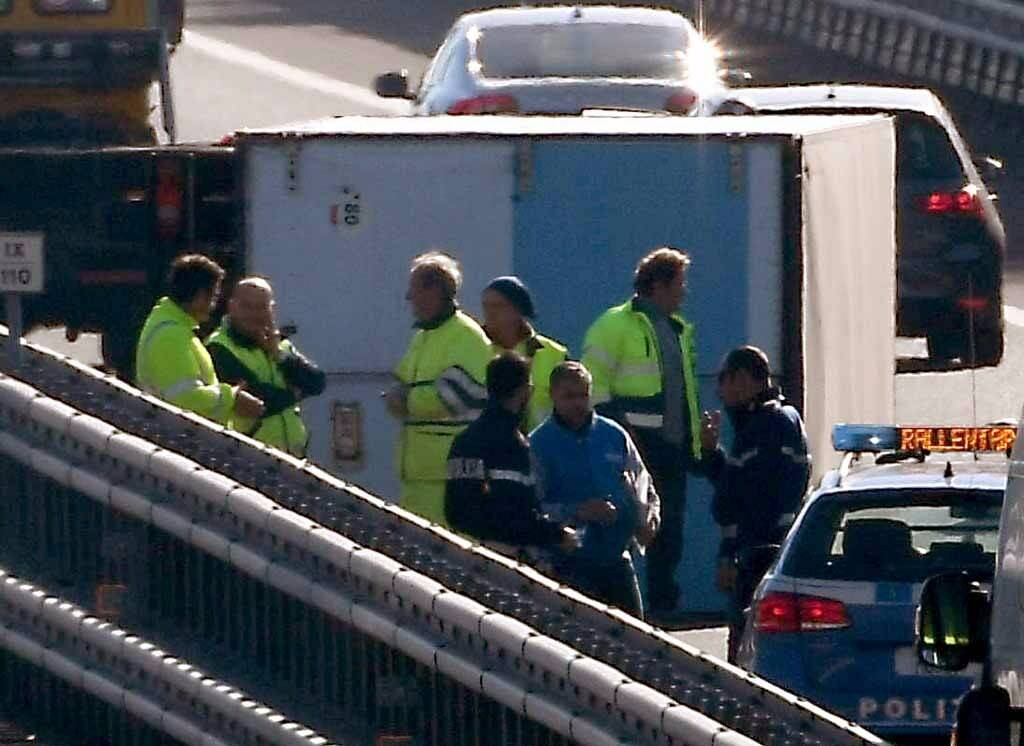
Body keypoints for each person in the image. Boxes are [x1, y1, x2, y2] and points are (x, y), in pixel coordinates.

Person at [581, 247, 701, 619]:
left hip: (671, 449)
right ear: (659, 285)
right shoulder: (614, 325)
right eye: (679, 284)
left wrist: (697, 442)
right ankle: (627, 612)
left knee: (668, 534)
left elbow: (682, 394)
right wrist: (620, 433)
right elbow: (592, 384)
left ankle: (662, 612)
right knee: (628, 526)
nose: (684, 292)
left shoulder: (677, 330)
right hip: (636, 448)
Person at [702, 346, 811, 662]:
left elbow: (749, 504)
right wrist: (713, 454)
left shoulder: (768, 427)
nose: (719, 391)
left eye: (723, 380)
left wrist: (731, 556)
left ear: (743, 380)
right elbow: (737, 486)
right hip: (760, 550)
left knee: (747, 647)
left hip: (758, 555)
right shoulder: (764, 423)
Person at [531, 361, 660, 618]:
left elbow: (644, 485)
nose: (578, 403)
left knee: (636, 641)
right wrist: (577, 511)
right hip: (568, 565)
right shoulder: (539, 444)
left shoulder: (613, 435)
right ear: (553, 396)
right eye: (569, 396)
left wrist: (648, 518)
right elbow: (531, 509)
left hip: (616, 558)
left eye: (584, 395)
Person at [386, 251, 494, 525]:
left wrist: (407, 401)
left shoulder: (466, 336)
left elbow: (459, 396)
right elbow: (399, 380)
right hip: (418, 475)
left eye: (414, 288)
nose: (408, 298)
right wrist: (399, 396)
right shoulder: (423, 336)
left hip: (448, 475)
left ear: (434, 290)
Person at [445, 352, 578, 556]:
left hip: (470, 556)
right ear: (524, 392)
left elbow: (457, 512)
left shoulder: (465, 441)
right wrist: (557, 535)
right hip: (508, 557)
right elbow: (516, 514)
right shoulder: (513, 446)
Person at [135, 254, 264, 425]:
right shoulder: (171, 335)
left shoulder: (175, 329)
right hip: (178, 440)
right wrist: (232, 399)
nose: (214, 305)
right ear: (201, 295)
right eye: (214, 297)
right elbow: (186, 399)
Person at [206, 277, 325, 457]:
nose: (254, 314)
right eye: (247, 306)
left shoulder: (279, 345)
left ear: (272, 309)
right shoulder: (219, 347)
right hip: (246, 458)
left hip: (293, 457)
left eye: (261, 307)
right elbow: (259, 400)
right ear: (231, 307)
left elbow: (317, 382)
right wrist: (296, 393)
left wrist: (278, 355)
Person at [481, 276, 568, 431]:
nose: (490, 313)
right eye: (486, 306)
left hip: (542, 447)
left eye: (498, 306)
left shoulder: (555, 354)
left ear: (519, 309)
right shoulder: (477, 349)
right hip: (490, 445)